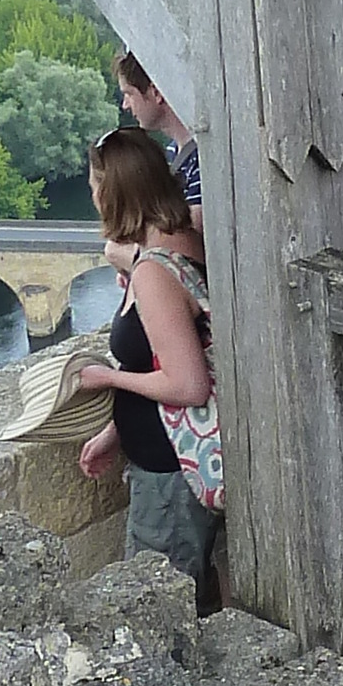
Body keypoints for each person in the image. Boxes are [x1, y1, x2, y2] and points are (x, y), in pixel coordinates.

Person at [74, 125, 217, 595]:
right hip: (163, 459)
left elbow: (189, 384)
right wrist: (115, 431)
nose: (93, 198)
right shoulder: (176, 247)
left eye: (96, 188)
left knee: (157, 608)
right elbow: (163, 358)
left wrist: (108, 377)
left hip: (168, 472)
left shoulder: (155, 272)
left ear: (115, 193)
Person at [113, 54, 201, 240]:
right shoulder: (171, 153)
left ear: (156, 92)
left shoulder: (202, 160)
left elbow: (192, 234)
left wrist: (127, 255)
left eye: (129, 94)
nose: (125, 105)